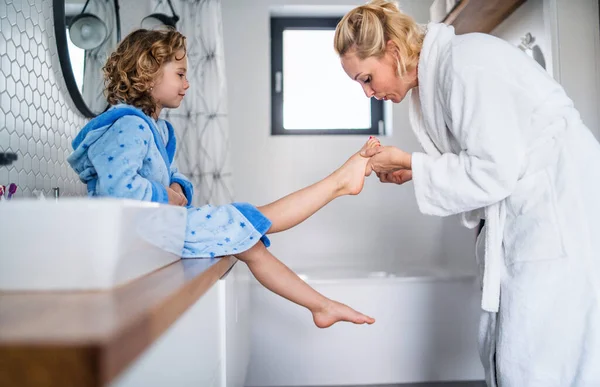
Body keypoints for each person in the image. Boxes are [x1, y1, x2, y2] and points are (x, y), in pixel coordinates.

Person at [335, 1, 600, 386]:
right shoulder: (439, 76)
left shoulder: (465, 64)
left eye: (366, 78)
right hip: (534, 209)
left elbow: (493, 170)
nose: (367, 93)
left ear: (392, 51)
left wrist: (414, 163)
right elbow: (483, 162)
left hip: (560, 210)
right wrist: (413, 170)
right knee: (525, 347)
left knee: (544, 354)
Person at [67, 28, 378, 329]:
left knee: (249, 240)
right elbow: (118, 189)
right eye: (180, 74)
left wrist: (176, 188)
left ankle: (320, 305)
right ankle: (338, 183)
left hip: (157, 231)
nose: (187, 84)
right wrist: (166, 197)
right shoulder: (127, 126)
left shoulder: (158, 129)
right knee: (246, 218)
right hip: (139, 238)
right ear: (148, 75)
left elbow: (171, 177)